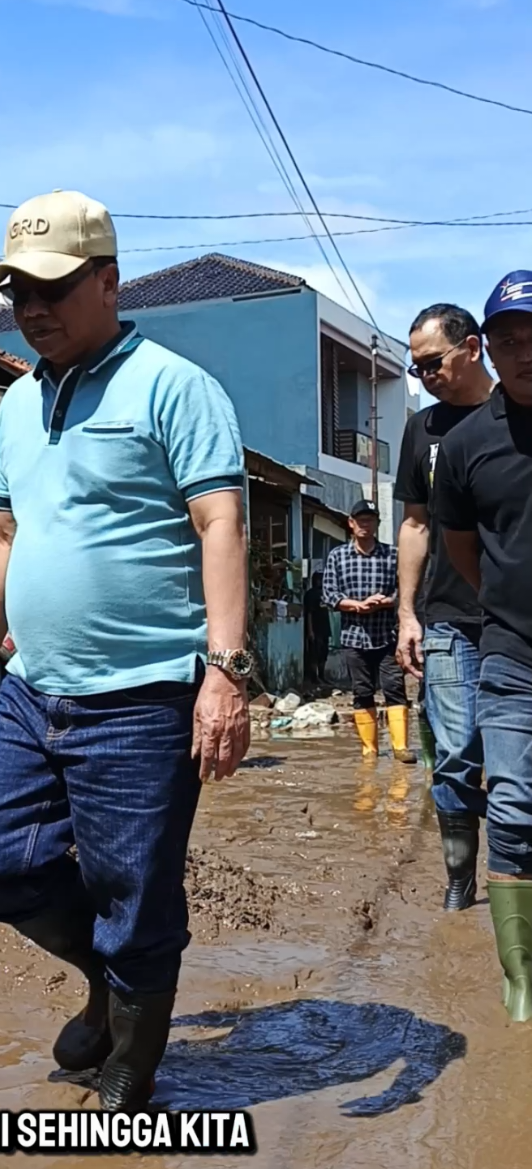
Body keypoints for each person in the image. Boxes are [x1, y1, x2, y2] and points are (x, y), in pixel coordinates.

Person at [0, 190, 253, 1109]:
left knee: (133, 886)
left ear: (109, 282)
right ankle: (110, 982)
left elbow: (222, 523)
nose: (32, 309)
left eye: (54, 289)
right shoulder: (16, 403)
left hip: (144, 694)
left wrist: (225, 671)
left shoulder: (173, 387)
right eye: (19, 292)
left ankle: (130, 1069)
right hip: (33, 688)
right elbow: (4, 537)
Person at [436, 270, 532, 1022]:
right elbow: (461, 547)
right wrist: (505, 601)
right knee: (515, 807)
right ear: (487, 349)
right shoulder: (467, 444)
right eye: (509, 339)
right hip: (512, 652)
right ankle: (520, 979)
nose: (524, 351)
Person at [395, 304, 493, 912]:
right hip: (449, 617)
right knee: (456, 753)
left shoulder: (515, 414)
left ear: (472, 348)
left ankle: (513, 875)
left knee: (514, 757)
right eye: (417, 369)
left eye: (434, 363)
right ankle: (460, 879)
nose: (426, 376)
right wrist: (407, 613)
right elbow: (414, 524)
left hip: (514, 613)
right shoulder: (422, 430)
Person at [322, 500, 415, 763]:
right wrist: (357, 605)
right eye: (360, 520)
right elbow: (329, 595)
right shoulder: (338, 556)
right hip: (354, 636)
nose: (365, 524)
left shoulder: (393, 554)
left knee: (394, 688)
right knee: (362, 691)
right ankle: (369, 751)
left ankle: (400, 748)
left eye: (370, 520)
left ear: (377, 524)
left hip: (387, 635)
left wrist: (388, 601)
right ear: (351, 523)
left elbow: (406, 589)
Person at [303, 571, 330, 686]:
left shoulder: (324, 594)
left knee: (323, 653)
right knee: (314, 653)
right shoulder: (311, 594)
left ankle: (322, 676)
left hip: (325, 629)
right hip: (315, 629)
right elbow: (309, 613)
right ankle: (314, 677)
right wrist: (310, 631)